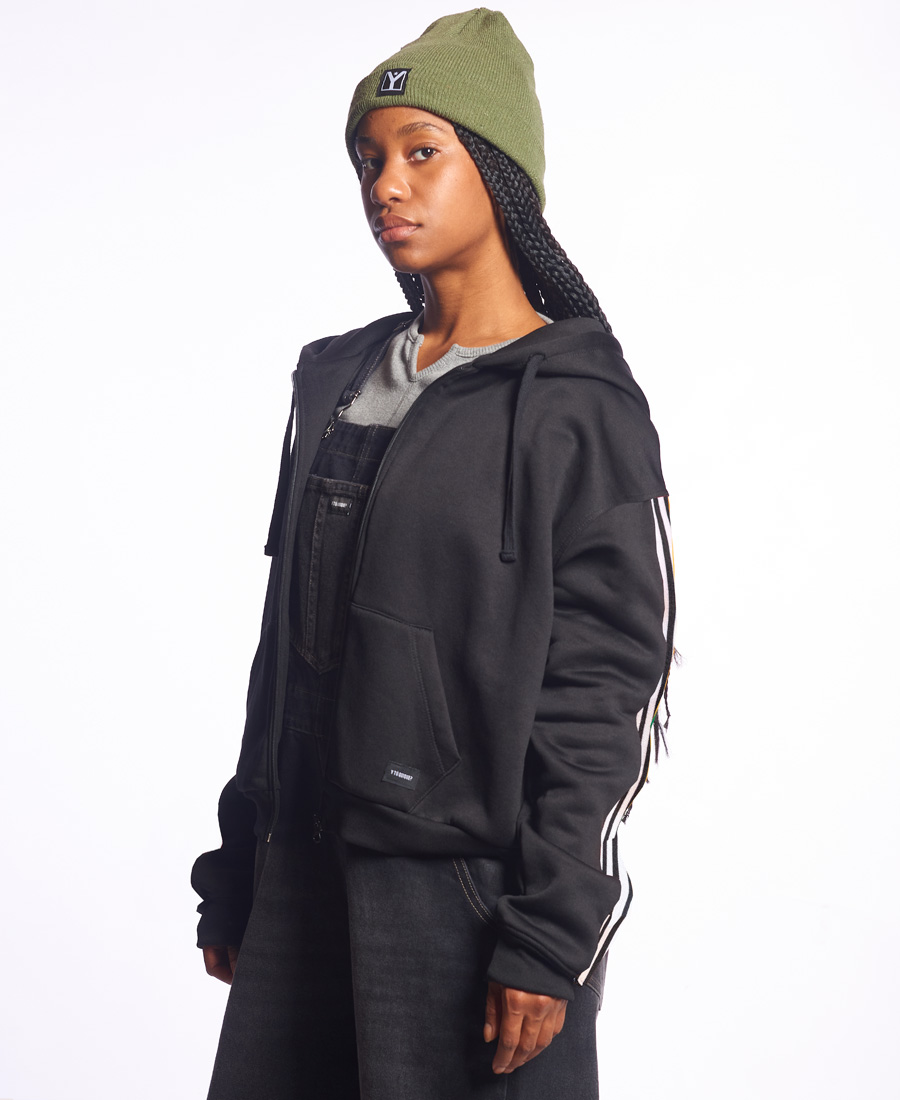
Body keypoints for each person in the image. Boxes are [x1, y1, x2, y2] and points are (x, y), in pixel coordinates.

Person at [191, 9, 675, 1099]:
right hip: (298, 867)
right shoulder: (337, 378)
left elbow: (609, 691)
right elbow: (285, 654)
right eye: (369, 160)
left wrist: (550, 933)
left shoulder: (578, 405)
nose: (387, 186)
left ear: (498, 170)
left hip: (464, 895)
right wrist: (238, 858)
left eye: (422, 152)